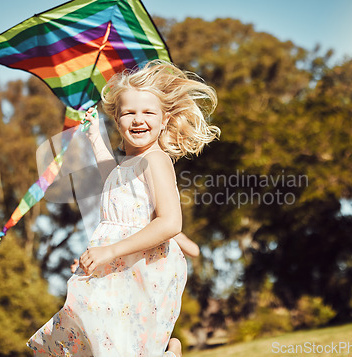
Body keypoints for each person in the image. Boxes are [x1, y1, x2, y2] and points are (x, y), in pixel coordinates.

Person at [27, 60, 220, 357]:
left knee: (120, 348)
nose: (138, 119)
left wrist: (109, 252)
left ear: (165, 120)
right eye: (129, 113)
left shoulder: (157, 160)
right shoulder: (129, 165)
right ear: (117, 121)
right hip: (116, 266)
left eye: (148, 112)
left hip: (143, 268)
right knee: (96, 340)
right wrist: (94, 136)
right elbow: (113, 179)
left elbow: (170, 224)